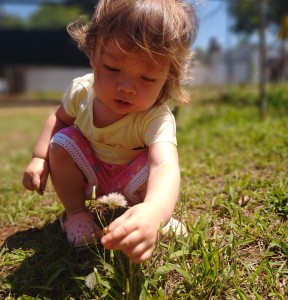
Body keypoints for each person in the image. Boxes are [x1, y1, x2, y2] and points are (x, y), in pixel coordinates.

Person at [23, 0, 198, 263]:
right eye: (113, 69)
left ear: (168, 77)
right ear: (93, 54)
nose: (126, 86)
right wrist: (39, 157)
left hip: (133, 184)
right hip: (89, 173)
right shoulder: (82, 91)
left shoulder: (155, 117)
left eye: (147, 78)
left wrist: (155, 210)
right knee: (61, 142)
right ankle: (76, 215)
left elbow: (165, 166)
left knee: (153, 172)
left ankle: (153, 217)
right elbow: (58, 118)